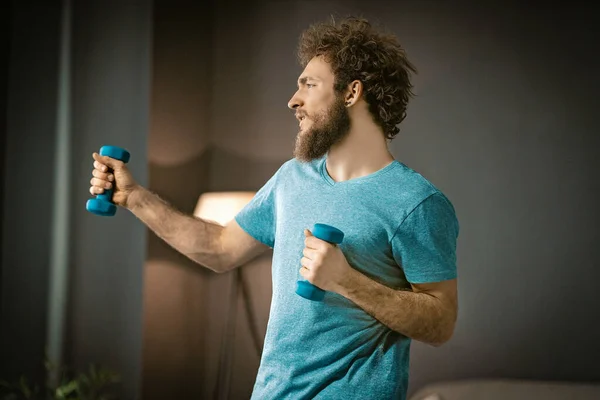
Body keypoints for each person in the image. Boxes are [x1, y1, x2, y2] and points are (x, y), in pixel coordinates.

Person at [89, 16, 459, 400]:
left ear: (351, 93)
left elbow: (441, 321)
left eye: (308, 86)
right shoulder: (292, 178)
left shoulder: (416, 203)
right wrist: (134, 198)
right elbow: (219, 247)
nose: (292, 100)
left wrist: (347, 282)